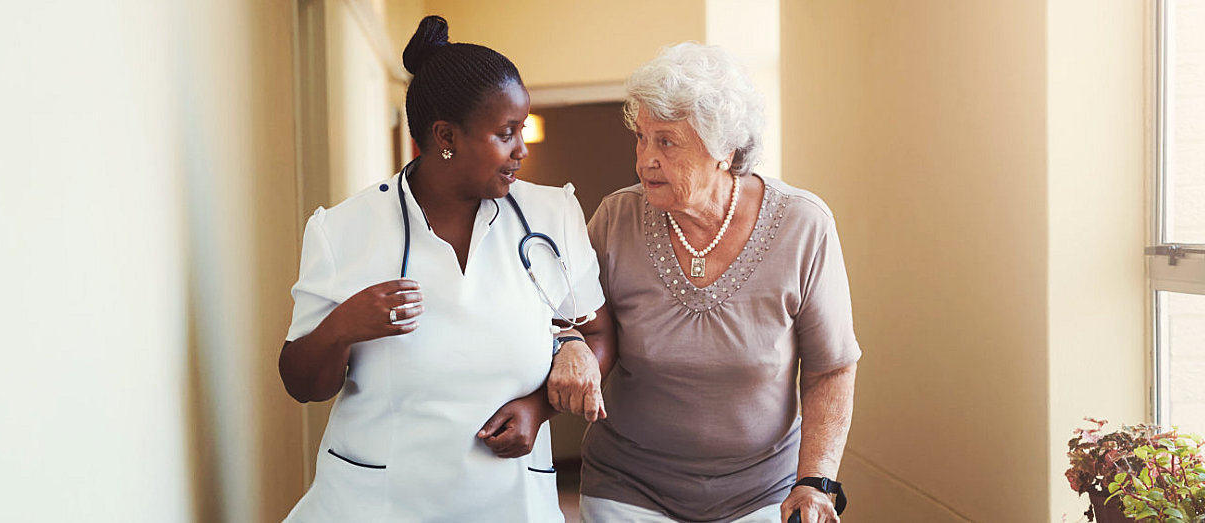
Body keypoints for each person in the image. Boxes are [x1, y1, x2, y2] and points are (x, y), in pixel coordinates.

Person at [278, 15, 613, 523]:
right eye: (506, 133)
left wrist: (538, 409)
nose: (522, 149)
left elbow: (600, 333)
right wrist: (342, 326)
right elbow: (303, 383)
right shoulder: (344, 229)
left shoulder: (551, 215)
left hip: (511, 498)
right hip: (378, 502)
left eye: (521, 129)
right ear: (445, 136)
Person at [547, 43, 861, 523]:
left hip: (763, 490)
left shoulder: (803, 225)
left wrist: (815, 481)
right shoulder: (616, 218)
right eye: (641, 138)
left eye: (666, 142)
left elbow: (831, 369)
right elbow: (565, 315)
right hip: (629, 486)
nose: (644, 160)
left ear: (725, 149)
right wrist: (567, 342)